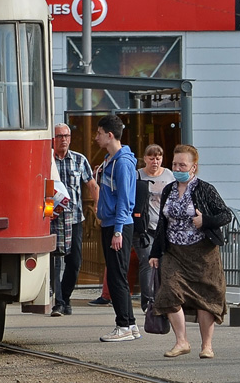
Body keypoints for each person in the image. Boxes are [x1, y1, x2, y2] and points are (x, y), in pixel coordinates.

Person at [149, 144, 233, 359]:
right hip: (174, 252)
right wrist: (155, 253)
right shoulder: (169, 189)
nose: (177, 168)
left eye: (182, 165)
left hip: (203, 253)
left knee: (205, 298)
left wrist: (205, 220)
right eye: (175, 164)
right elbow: (161, 223)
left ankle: (207, 346)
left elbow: (225, 215)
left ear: (193, 167)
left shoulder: (204, 189)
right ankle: (181, 341)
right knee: (169, 291)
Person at [94, 114, 140, 341]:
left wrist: (119, 230)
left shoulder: (121, 163)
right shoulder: (111, 160)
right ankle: (130, 324)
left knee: (116, 276)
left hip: (117, 224)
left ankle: (123, 326)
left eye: (99, 133)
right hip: (112, 222)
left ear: (109, 135)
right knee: (116, 274)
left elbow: (124, 198)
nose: (96, 137)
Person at [50, 123, 98, 316]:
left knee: (75, 262)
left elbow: (92, 185)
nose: (63, 139)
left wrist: (98, 207)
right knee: (54, 262)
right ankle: (59, 303)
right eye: (60, 136)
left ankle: (66, 297)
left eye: (66, 136)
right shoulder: (46, 160)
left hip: (75, 218)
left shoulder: (79, 160)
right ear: (53, 139)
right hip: (51, 219)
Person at [133, 144, 175, 313]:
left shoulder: (169, 175)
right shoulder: (138, 175)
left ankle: (163, 298)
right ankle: (147, 301)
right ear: (145, 159)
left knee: (164, 264)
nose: (155, 161)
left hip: (163, 227)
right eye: (151, 158)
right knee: (147, 262)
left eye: (158, 158)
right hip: (144, 226)